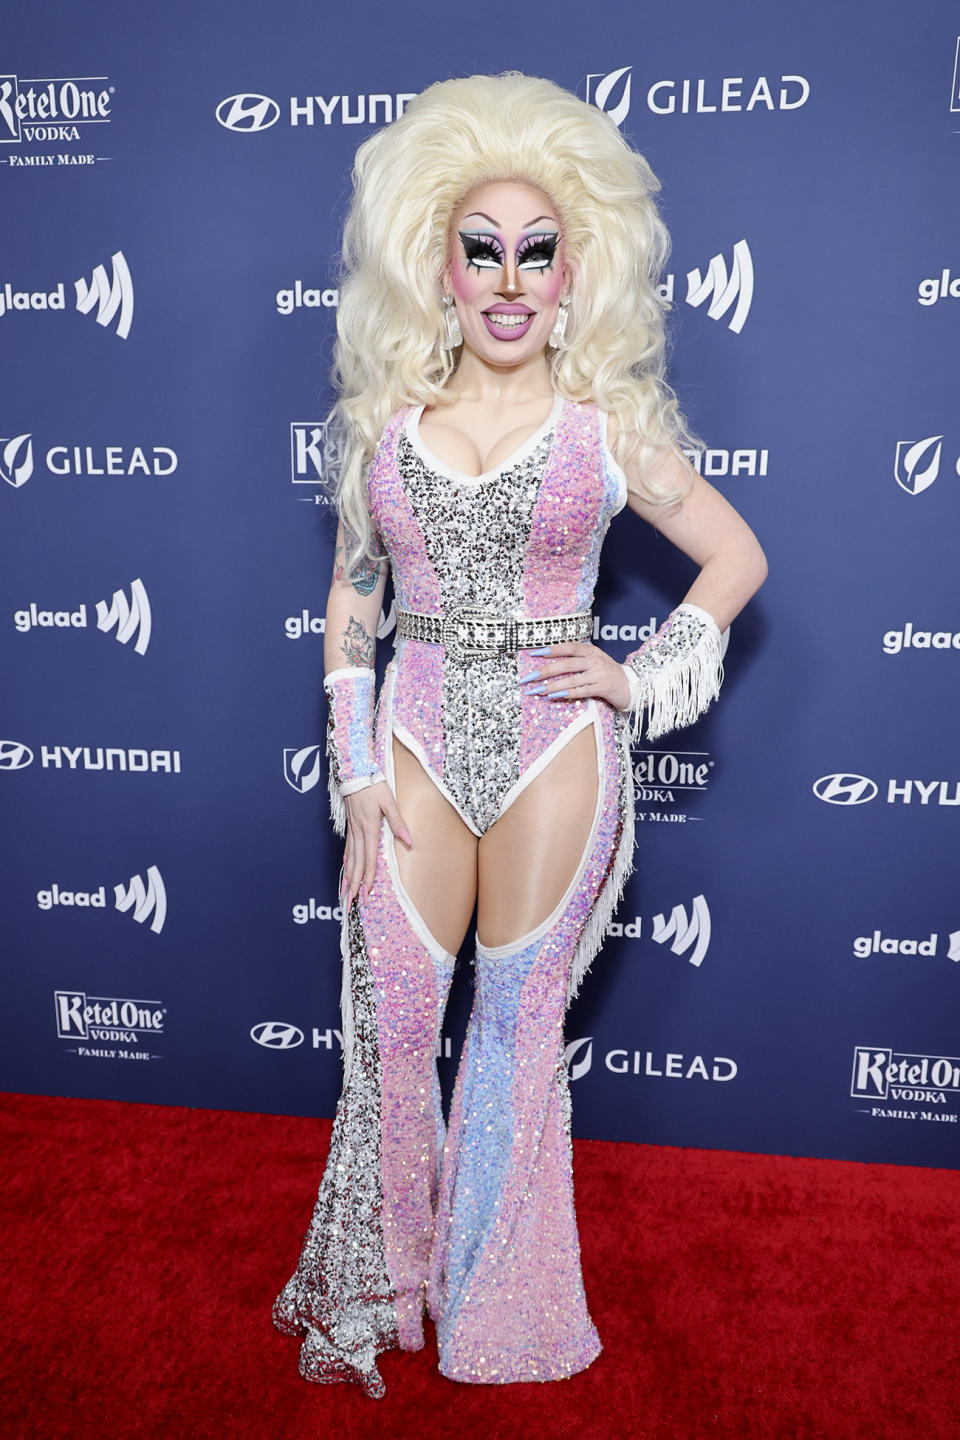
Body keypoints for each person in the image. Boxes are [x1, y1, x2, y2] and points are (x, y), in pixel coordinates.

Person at [273, 71, 767, 1399]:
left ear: (570, 278)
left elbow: (733, 556)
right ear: (435, 266)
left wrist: (638, 670)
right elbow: (352, 599)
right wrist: (360, 763)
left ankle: (504, 1317)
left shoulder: (607, 430)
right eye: (480, 248)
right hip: (417, 742)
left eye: (536, 252)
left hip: (557, 749)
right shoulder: (388, 427)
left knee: (513, 1041)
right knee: (388, 1027)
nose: (507, 277)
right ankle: (380, 1292)